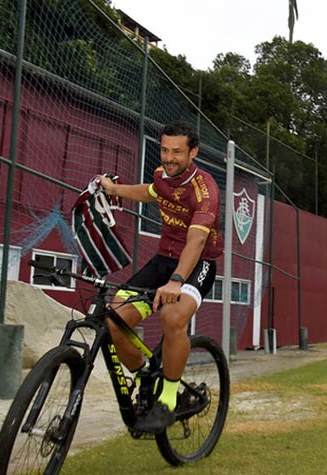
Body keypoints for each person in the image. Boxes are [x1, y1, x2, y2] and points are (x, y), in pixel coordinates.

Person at [98, 120, 223, 433]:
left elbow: (195, 240)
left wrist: (177, 281)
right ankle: (145, 375)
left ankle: (169, 400)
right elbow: (149, 192)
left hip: (197, 264)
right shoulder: (161, 175)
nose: (169, 157)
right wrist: (114, 190)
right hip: (163, 260)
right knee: (115, 319)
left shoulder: (205, 190)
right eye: (165, 150)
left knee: (171, 316)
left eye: (177, 152)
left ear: (192, 152)